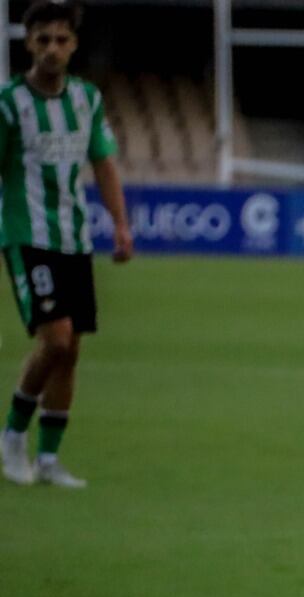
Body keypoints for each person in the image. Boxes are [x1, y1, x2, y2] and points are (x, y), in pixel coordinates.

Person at [0, 0, 133, 489]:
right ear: (27, 42)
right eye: (42, 40)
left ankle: (50, 460)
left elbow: (104, 162)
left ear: (74, 44)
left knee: (71, 351)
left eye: (61, 39)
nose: (52, 49)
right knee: (54, 339)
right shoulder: (9, 103)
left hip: (74, 238)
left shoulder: (87, 100)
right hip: (26, 234)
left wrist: (121, 225)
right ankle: (12, 435)